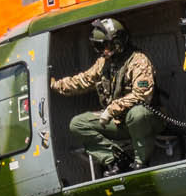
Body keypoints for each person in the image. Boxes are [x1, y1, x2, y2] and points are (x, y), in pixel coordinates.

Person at [51, 17, 157, 177]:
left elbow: (142, 95)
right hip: (118, 122)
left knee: (138, 113)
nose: (102, 51)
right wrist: (55, 85)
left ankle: (141, 162)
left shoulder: (139, 61)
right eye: (98, 47)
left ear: (117, 42)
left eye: (104, 46)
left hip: (146, 121)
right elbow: (83, 81)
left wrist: (111, 110)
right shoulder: (103, 63)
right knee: (77, 124)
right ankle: (116, 159)